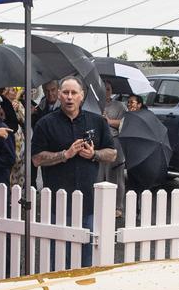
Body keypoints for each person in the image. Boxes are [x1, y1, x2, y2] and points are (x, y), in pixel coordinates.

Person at [30, 76, 116, 229]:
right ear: (59, 95)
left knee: (87, 250)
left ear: (81, 95)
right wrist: (65, 155)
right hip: (57, 202)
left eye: (74, 93)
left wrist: (94, 154)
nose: (69, 97)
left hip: (88, 203)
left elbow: (112, 154)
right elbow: (36, 159)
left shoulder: (97, 121)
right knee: (58, 251)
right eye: (65, 92)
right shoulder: (45, 123)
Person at [99, 81, 127, 213]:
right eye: (103, 89)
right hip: (98, 143)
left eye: (108, 89)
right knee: (98, 175)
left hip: (115, 140)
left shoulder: (120, 106)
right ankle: (98, 205)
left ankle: (117, 207)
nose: (106, 91)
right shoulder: (94, 104)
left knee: (116, 175)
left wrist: (108, 121)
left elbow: (125, 124)